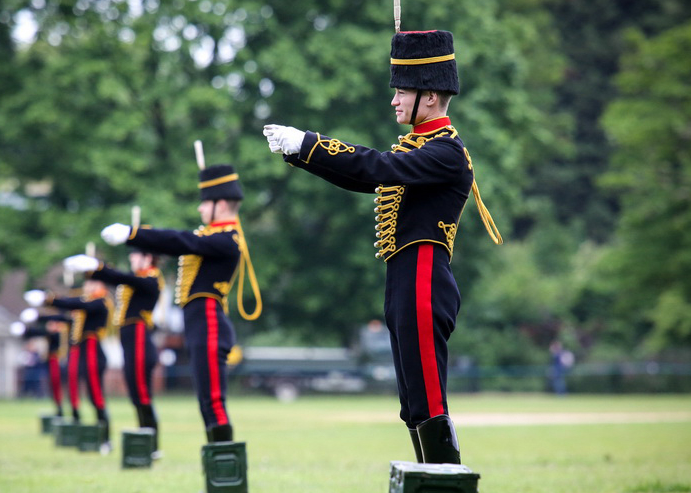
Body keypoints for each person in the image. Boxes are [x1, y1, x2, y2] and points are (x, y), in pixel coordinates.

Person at [263, 29, 501, 464]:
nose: (394, 101)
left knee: (428, 399)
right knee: (412, 404)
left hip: (425, 279)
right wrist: (302, 155)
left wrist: (311, 143)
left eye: (402, 91)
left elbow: (379, 167)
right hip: (404, 279)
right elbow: (365, 177)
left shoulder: (446, 152)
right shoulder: (421, 148)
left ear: (429, 97)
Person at [100, 164, 261, 443]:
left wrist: (134, 234)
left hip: (209, 320)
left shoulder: (225, 239)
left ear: (220, 204)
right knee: (206, 402)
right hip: (200, 323)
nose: (200, 209)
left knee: (213, 402)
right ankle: (219, 476)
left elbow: (180, 240)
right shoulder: (214, 236)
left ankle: (225, 477)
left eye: (204, 203)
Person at [63, 249, 165, 453]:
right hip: (130, 344)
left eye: (135, 254)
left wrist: (97, 268)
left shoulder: (151, 279)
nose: (131, 258)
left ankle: (152, 444)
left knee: (143, 396)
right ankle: (145, 440)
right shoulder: (138, 279)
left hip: (140, 343)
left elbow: (122, 278)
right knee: (136, 396)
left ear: (148, 256)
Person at [24, 278, 113, 451]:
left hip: (94, 352)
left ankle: (106, 438)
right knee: (80, 392)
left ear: (100, 285)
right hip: (83, 352)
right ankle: (81, 428)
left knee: (97, 397)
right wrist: (40, 316)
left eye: (91, 283)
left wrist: (49, 299)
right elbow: (64, 315)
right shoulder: (85, 304)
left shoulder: (101, 302)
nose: (86, 287)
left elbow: (81, 306)